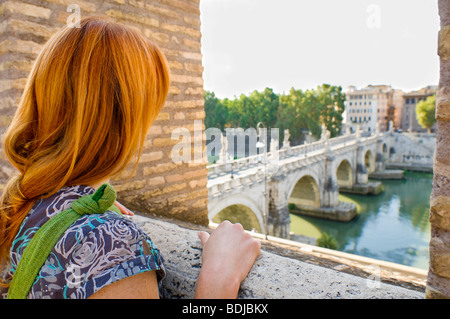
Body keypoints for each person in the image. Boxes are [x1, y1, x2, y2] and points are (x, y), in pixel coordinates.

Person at [0, 17, 260, 299]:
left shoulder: (18, 205)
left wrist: (90, 209)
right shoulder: (113, 243)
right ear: (121, 121)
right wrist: (219, 278)